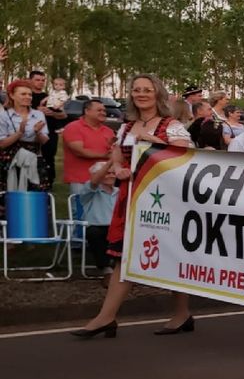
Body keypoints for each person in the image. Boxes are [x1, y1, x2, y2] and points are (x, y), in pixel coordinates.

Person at [72, 73, 194, 339]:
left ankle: (181, 312)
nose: (141, 94)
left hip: (163, 198)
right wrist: (118, 169)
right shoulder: (127, 127)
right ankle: (106, 317)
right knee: (124, 255)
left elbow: (183, 155)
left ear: (157, 93)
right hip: (133, 197)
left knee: (172, 253)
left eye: (147, 90)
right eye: (136, 90)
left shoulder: (170, 125)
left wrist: (151, 140)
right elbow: (117, 154)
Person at [0, 79, 51, 192]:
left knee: (35, 195)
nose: (28, 97)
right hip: (10, 162)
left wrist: (37, 132)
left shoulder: (38, 114)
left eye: (30, 94)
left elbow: (44, 141)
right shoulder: (3, 116)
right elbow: (2, 144)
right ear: (12, 95)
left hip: (34, 161)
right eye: (23, 94)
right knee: (10, 196)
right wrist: (19, 133)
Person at [61, 99, 114, 205]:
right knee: (81, 211)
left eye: (104, 110)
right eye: (99, 110)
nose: (103, 113)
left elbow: (114, 152)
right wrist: (105, 155)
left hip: (105, 180)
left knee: (103, 210)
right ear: (87, 111)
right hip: (80, 180)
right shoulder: (73, 127)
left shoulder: (109, 131)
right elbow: (79, 151)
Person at [80, 160, 117, 281]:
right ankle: (107, 271)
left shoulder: (120, 191)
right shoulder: (89, 191)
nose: (111, 175)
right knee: (94, 233)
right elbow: (95, 182)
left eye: (113, 173)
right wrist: (111, 162)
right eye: (107, 173)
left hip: (117, 228)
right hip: (98, 227)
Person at [29, 70, 66, 186]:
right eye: (37, 80)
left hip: (50, 132)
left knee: (49, 157)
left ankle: (49, 183)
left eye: (43, 80)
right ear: (30, 80)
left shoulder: (51, 97)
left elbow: (63, 115)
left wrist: (52, 113)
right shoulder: (26, 95)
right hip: (30, 133)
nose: (40, 82)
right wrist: (36, 110)